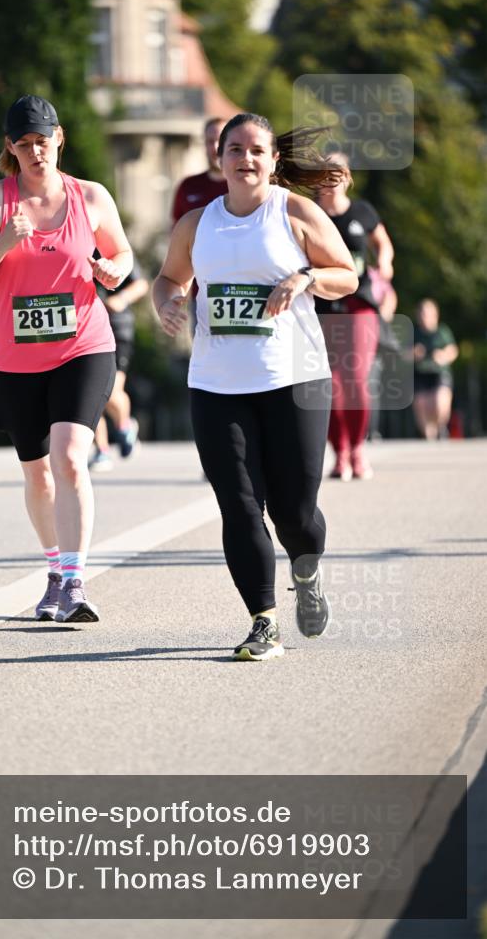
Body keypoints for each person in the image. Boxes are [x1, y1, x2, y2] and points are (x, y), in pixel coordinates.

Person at [153, 113, 357, 662]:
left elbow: (347, 274)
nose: (246, 159)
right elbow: (169, 278)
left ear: (273, 160)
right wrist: (168, 303)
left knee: (294, 513)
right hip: (216, 385)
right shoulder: (197, 224)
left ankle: (306, 570)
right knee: (240, 505)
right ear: (219, 158)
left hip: (294, 379)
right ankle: (263, 620)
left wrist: (305, 277)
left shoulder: (295, 212)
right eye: (235, 149)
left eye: (256, 150)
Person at [0, 94, 132, 623]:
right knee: (37, 475)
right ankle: (55, 570)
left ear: (60, 140)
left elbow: (122, 254)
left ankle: (75, 583)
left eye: (44, 141)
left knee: (70, 457)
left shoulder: (90, 196)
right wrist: (3, 243)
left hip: (83, 346)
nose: (37, 152)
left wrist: (114, 270)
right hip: (14, 360)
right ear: (10, 148)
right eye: (25, 144)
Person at [316, 153, 395, 480]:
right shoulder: (309, 213)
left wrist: (385, 263)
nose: (331, 179)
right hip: (322, 305)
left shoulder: (362, 211)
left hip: (359, 302)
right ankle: (340, 452)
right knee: (330, 383)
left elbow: (383, 244)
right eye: (325, 173)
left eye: (338, 173)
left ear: (348, 178)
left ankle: (358, 448)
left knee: (355, 378)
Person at [90, 259, 149, 472]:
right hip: (84, 329)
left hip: (116, 328)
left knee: (112, 392)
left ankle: (124, 425)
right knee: (89, 394)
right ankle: (101, 450)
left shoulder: (112, 246)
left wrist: (121, 299)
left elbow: (141, 284)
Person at [171, 117, 228, 334]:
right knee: (204, 351)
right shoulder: (188, 187)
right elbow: (176, 240)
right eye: (210, 141)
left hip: (248, 290)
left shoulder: (246, 188)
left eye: (221, 140)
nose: (215, 147)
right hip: (202, 293)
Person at [412, 298, 458, 439]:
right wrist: (413, 353)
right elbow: (403, 354)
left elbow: (453, 350)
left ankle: (441, 427)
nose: (424, 317)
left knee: (439, 403)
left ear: (435, 315)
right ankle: (429, 438)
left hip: (439, 373)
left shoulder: (442, 331)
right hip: (420, 374)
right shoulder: (414, 333)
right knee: (421, 405)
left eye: (427, 313)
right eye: (422, 313)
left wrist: (443, 355)